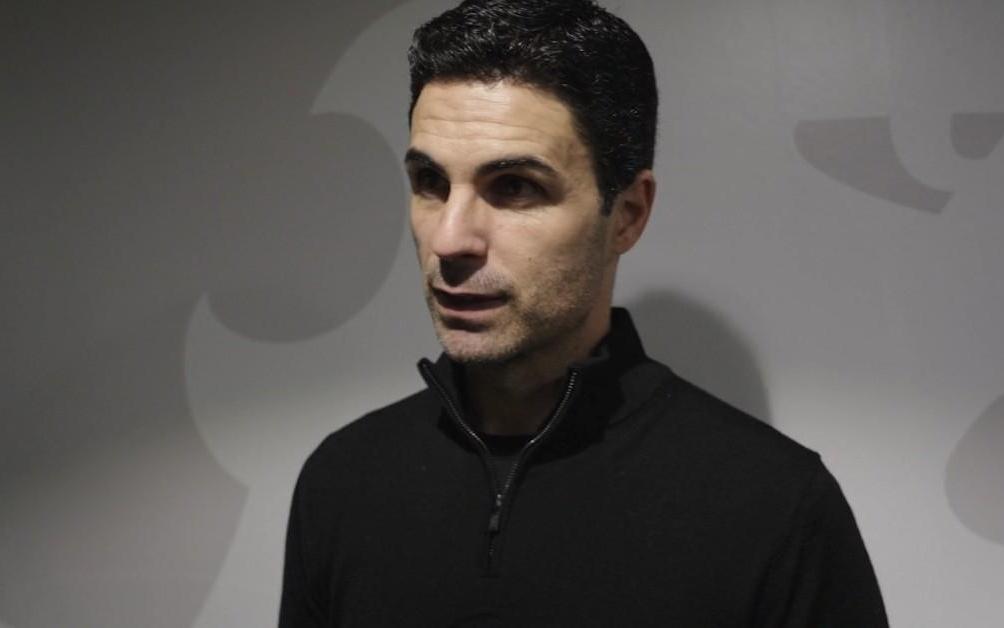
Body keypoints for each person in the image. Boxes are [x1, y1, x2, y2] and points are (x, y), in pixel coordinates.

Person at [279, 0, 889, 626]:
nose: (450, 239)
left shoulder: (774, 506)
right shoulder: (343, 480)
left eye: (515, 186)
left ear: (628, 215)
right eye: (431, 183)